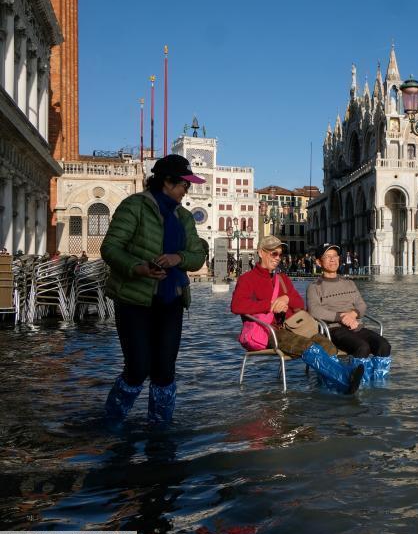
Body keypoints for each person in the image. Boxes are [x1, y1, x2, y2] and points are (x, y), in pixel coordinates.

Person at [100, 154, 207, 425]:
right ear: (167, 182)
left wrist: (177, 258)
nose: (187, 190)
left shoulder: (184, 217)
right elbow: (110, 248)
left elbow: (197, 256)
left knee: (165, 371)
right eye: (184, 184)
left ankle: (160, 430)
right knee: (137, 368)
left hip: (171, 300)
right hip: (134, 299)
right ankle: (111, 422)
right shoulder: (134, 206)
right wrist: (139, 268)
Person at [231, 237, 363, 394]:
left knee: (327, 345)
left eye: (280, 254)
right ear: (261, 253)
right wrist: (270, 304)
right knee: (308, 346)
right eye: (274, 254)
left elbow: (298, 303)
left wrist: (286, 298)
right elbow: (237, 306)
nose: (278, 258)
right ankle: (344, 378)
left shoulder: (283, 278)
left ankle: (332, 385)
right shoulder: (247, 279)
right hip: (269, 332)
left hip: (293, 326)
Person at [308, 243, 391, 359]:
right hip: (333, 329)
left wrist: (353, 314)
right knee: (362, 347)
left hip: (355, 326)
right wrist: (341, 317)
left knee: (384, 345)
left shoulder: (349, 283)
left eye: (335, 256)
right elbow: (314, 311)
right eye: (328, 256)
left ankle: (377, 376)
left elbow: (362, 305)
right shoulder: (314, 286)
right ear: (318, 262)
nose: (333, 259)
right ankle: (354, 376)